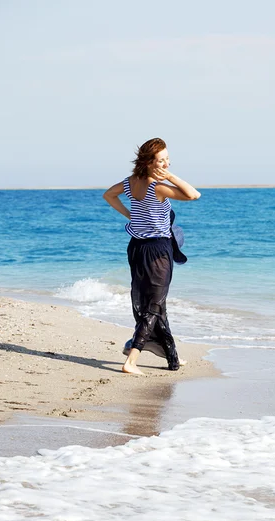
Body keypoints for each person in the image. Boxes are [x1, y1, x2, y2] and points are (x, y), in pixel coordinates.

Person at [103, 138, 200, 376]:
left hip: (136, 248)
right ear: (149, 163)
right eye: (161, 161)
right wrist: (172, 177)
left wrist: (130, 216)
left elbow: (108, 195)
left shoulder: (130, 182)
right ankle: (132, 358)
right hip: (157, 250)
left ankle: (171, 356)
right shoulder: (157, 186)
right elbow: (193, 195)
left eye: (168, 160)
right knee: (154, 304)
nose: (166, 164)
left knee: (157, 302)